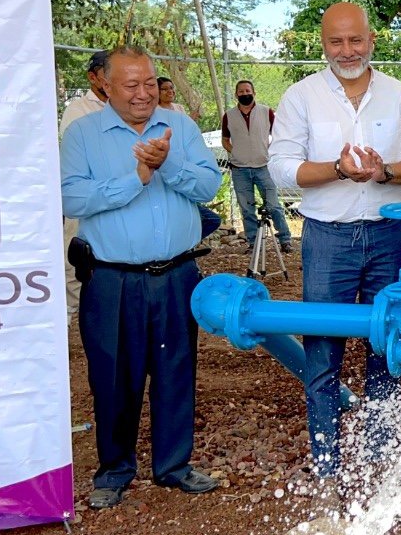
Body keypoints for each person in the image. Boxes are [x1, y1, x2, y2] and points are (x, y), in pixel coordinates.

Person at [268, 2, 401, 476]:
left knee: (385, 349)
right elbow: (280, 169)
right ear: (323, 45)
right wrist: (336, 170)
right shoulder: (302, 96)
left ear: (372, 39)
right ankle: (327, 465)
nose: (347, 51)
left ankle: (377, 461)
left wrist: (384, 171)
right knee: (322, 353)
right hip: (327, 240)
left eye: (355, 40)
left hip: (389, 235)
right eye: (336, 42)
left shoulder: (398, 93)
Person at [60, 46, 223, 509]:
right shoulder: (83, 134)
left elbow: (209, 186)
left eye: (149, 82)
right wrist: (137, 177)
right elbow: (71, 198)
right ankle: (114, 470)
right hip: (112, 280)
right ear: (103, 86)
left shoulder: (181, 127)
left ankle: (173, 466)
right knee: (113, 376)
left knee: (176, 371)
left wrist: (166, 163)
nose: (142, 93)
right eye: (130, 84)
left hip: (176, 274)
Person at [60, 51, 110, 315]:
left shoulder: (127, 105)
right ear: (93, 77)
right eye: (107, 72)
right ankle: (73, 308)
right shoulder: (78, 109)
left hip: (117, 193)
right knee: (76, 248)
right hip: (85, 193)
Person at [222, 79, 293, 253]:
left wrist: (268, 151)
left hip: (264, 167)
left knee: (274, 205)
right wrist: (236, 152)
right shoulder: (228, 116)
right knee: (247, 208)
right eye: (241, 91)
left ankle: (285, 239)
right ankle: (253, 243)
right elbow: (225, 140)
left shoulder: (266, 112)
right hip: (240, 169)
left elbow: (277, 135)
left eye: (247, 90)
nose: (244, 94)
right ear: (236, 94)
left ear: (254, 93)